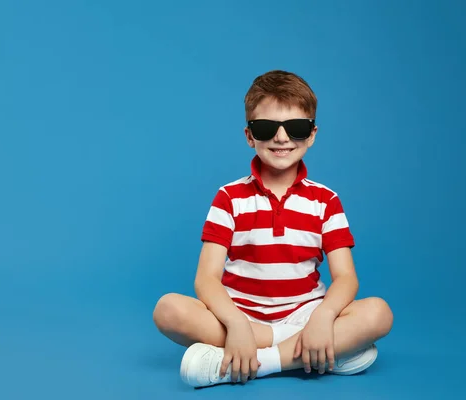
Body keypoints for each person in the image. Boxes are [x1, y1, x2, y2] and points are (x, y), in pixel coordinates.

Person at [152, 70, 393, 388]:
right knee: (168, 310)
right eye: (266, 128)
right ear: (250, 136)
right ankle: (316, 356)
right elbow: (206, 278)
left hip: (307, 317)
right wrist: (236, 324)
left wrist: (321, 319)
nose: (281, 138)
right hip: (244, 318)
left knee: (378, 313)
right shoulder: (229, 198)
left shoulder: (326, 201)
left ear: (312, 134)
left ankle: (259, 362)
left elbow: (346, 278)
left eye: (295, 128)